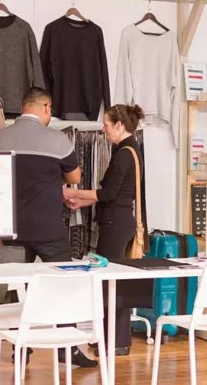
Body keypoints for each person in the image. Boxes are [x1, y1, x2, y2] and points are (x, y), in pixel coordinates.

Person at [0, 87, 97, 367]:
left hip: (11, 227)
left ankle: (21, 348)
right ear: (46, 108)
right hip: (49, 228)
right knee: (63, 284)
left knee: (18, 288)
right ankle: (67, 349)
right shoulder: (57, 140)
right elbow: (74, 177)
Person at [63, 103, 148, 356]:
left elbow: (108, 193)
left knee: (110, 283)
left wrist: (73, 193)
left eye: (107, 125)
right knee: (115, 282)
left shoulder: (123, 154)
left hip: (115, 225)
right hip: (121, 221)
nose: (103, 129)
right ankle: (113, 339)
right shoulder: (132, 150)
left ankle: (114, 341)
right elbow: (116, 195)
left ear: (119, 125)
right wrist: (82, 201)